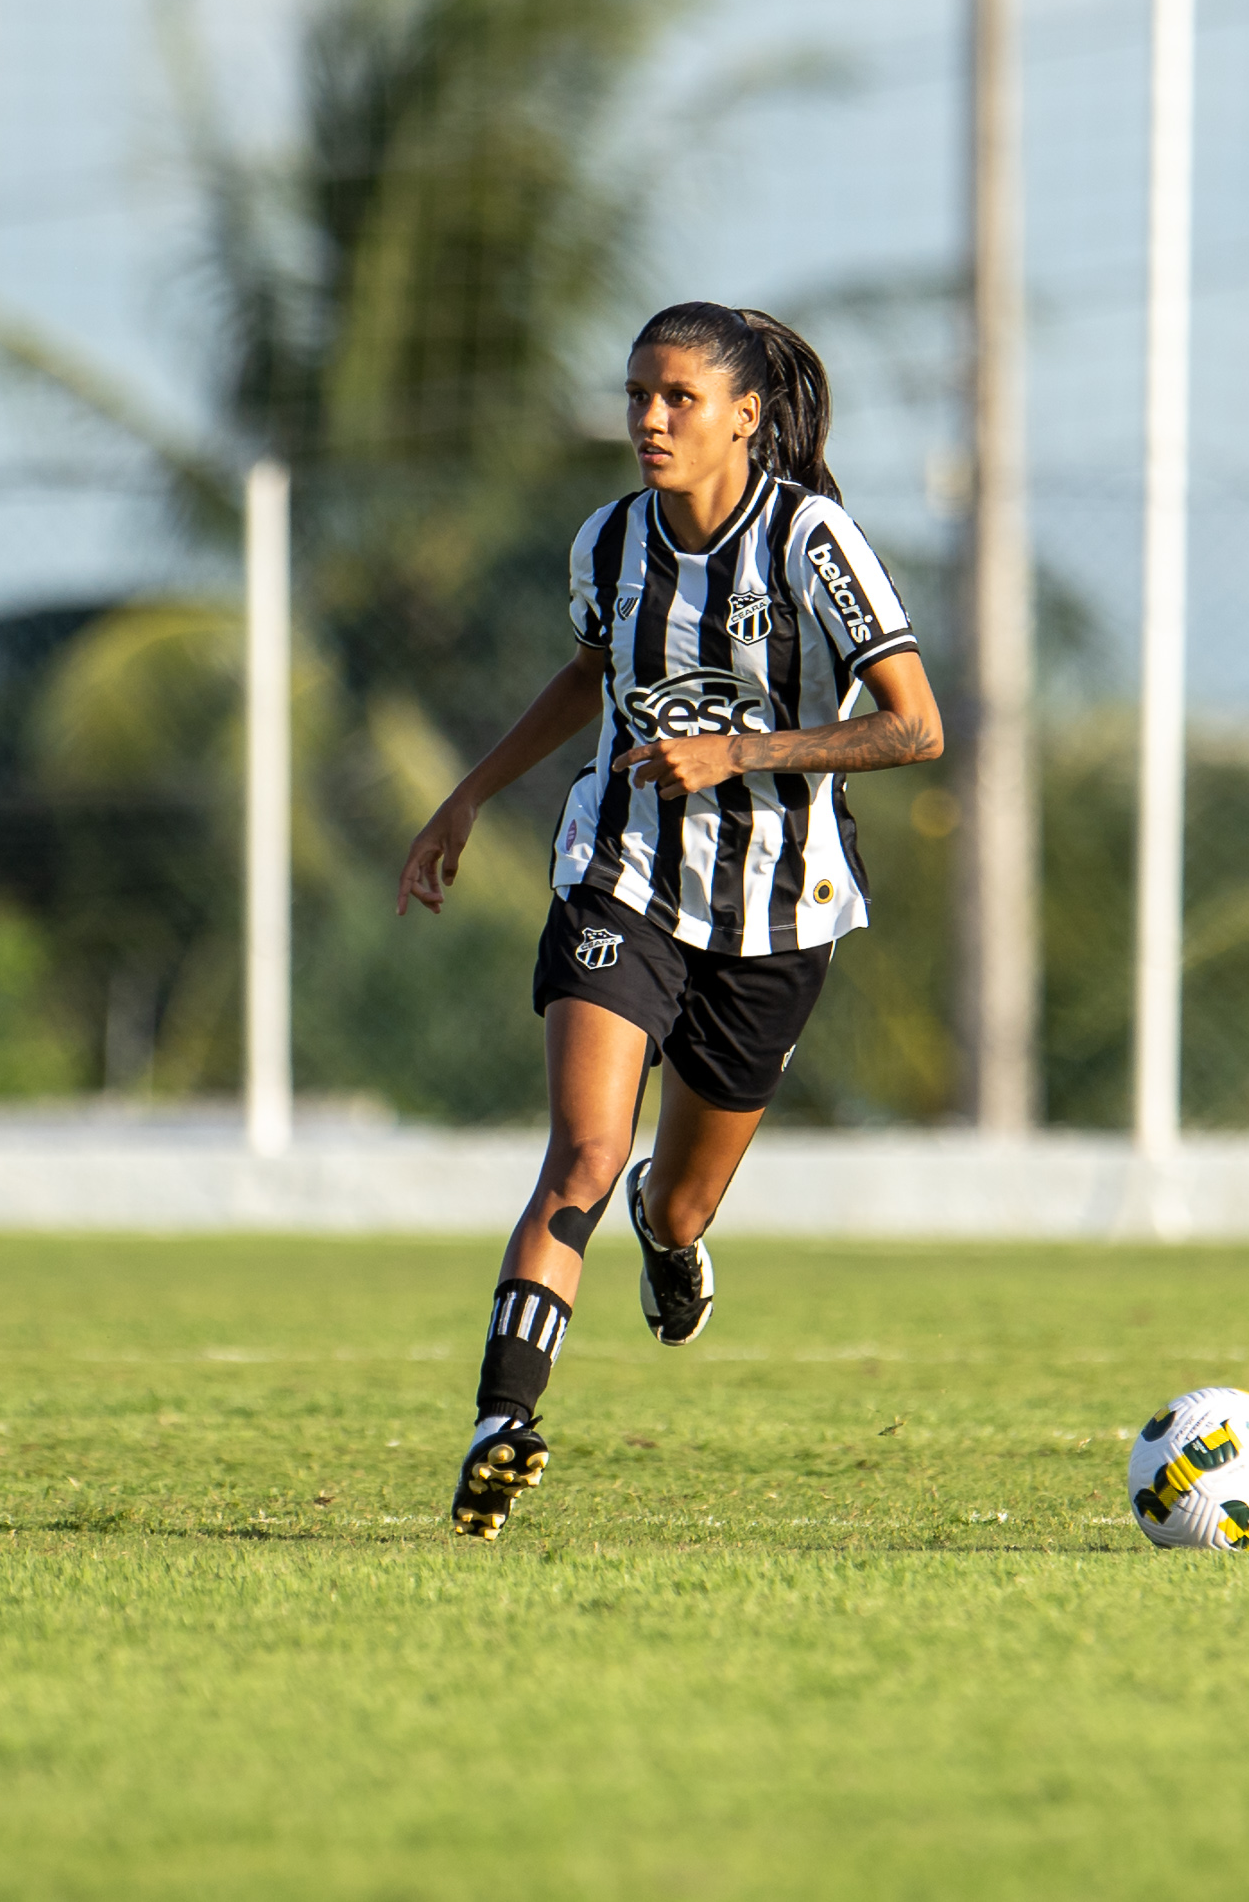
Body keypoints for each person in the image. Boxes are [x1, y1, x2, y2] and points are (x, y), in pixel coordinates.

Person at [395, 301, 943, 1539]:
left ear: (743, 415)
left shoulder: (813, 541)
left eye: (675, 397)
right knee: (580, 1150)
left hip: (776, 906)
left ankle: (667, 1225)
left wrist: (739, 750)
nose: (646, 417)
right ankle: (501, 1424)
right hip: (621, 872)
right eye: (636, 392)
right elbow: (591, 670)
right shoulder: (607, 541)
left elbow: (916, 726)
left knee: (671, 1200)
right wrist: (467, 793)